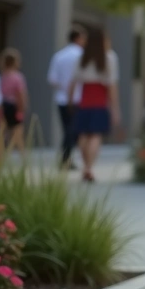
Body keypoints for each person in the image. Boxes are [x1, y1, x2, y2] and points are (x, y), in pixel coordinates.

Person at [66, 27, 119, 183]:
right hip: (100, 101)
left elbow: (73, 82)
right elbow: (112, 85)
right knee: (95, 135)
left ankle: (86, 166)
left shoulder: (82, 57)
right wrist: (115, 108)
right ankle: (89, 167)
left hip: (84, 100)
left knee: (83, 135)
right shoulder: (108, 58)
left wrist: (70, 100)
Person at [48, 28, 84, 169]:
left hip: (61, 98)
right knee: (73, 130)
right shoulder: (82, 55)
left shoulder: (59, 56)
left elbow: (52, 79)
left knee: (67, 129)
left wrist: (64, 87)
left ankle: (66, 158)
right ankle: (65, 158)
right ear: (78, 38)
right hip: (78, 98)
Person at [0, 49, 29, 157]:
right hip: (14, 106)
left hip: (3, 107)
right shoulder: (17, 77)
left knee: (3, 134)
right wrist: (22, 109)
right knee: (18, 134)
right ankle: (24, 158)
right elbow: (20, 94)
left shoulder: (2, 76)